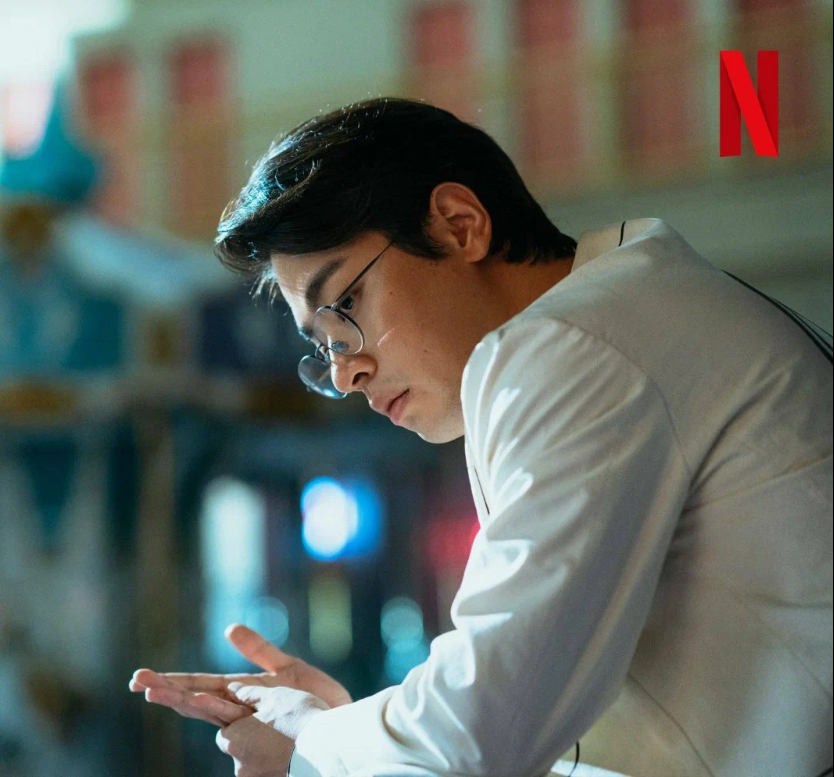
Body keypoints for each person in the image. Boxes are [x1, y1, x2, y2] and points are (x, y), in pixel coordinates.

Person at [129, 98, 834, 777]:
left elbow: (482, 736)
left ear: (458, 224)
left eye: (345, 306)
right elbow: (513, 715)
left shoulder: (571, 346)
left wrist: (313, 742)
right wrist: (350, 729)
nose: (346, 372)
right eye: (324, 346)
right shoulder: (630, 308)